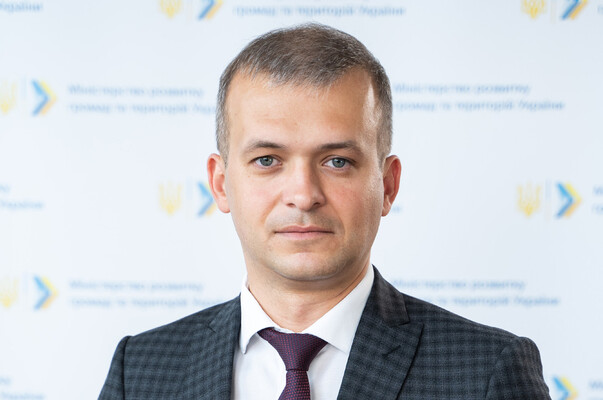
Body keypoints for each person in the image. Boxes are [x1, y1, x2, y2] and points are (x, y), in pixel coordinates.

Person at [99, 24, 551, 399]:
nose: (303, 195)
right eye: (267, 160)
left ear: (388, 185)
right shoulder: (138, 371)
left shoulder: (485, 372)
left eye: (337, 161)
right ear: (221, 184)